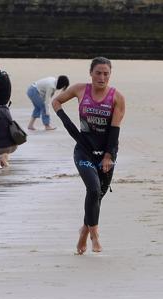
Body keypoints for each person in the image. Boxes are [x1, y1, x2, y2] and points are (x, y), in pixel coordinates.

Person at [51, 57, 126, 255]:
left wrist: (109, 156)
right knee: (93, 190)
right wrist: (68, 124)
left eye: (106, 73)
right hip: (83, 150)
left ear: (110, 75)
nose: (102, 77)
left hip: (106, 154)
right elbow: (56, 101)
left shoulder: (117, 97)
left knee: (97, 196)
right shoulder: (79, 89)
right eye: (98, 73)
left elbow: (114, 131)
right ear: (91, 73)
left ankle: (84, 231)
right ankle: (95, 235)